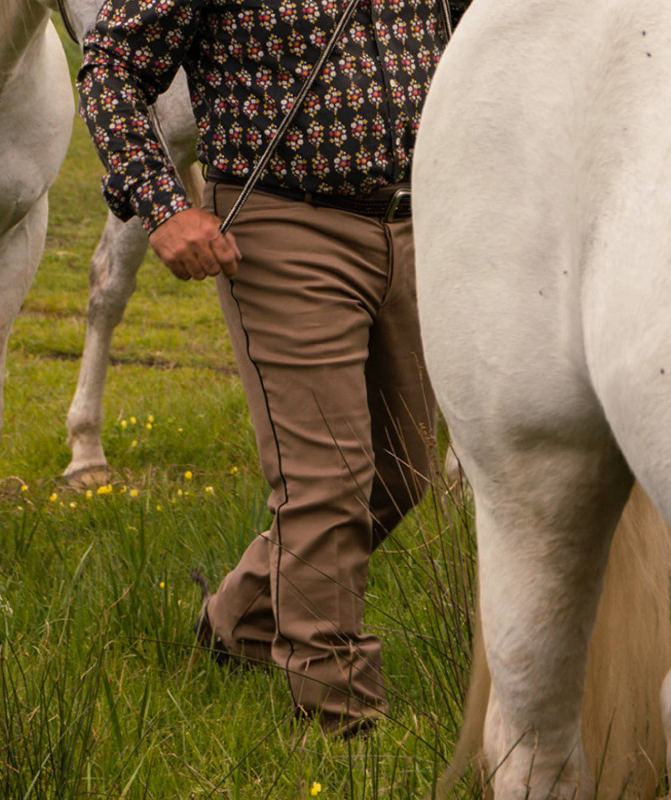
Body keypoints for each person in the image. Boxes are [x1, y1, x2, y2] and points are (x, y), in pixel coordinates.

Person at [77, 0, 452, 736]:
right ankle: (340, 721)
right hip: (284, 222)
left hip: (419, 219)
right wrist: (163, 205)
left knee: (405, 469)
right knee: (328, 483)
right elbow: (111, 65)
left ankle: (240, 618)